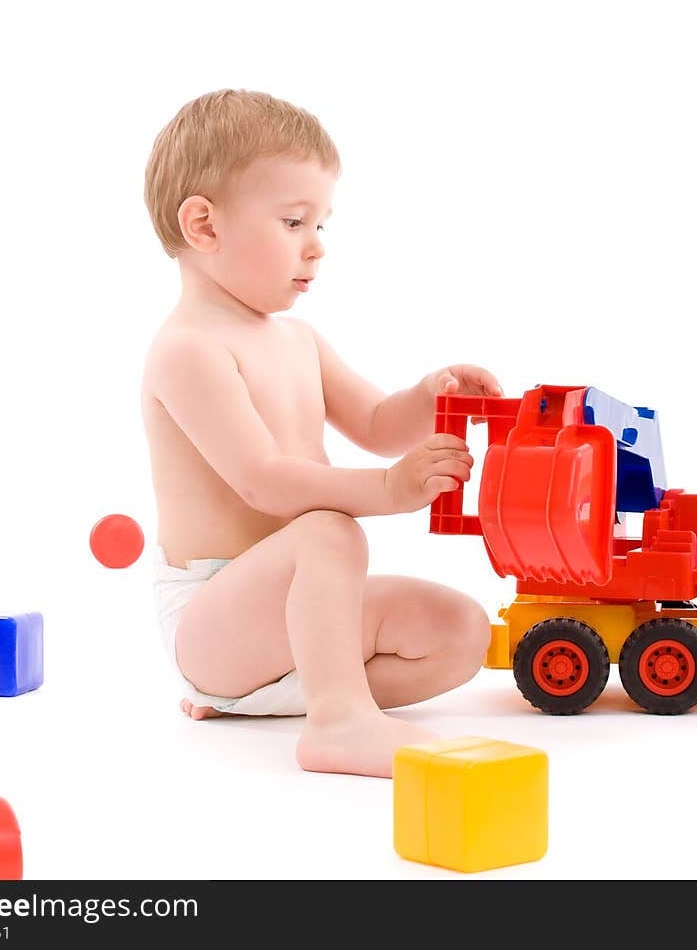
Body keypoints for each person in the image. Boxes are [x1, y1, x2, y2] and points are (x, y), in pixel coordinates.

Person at [141, 88, 501, 778]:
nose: (317, 247)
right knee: (328, 528)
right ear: (204, 226)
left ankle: (269, 699)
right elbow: (265, 481)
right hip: (215, 617)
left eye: (322, 224)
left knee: (462, 631)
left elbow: (374, 423)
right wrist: (391, 489)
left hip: (303, 610)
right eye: (294, 220)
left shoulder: (300, 340)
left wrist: (430, 397)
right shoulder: (188, 348)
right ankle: (338, 721)